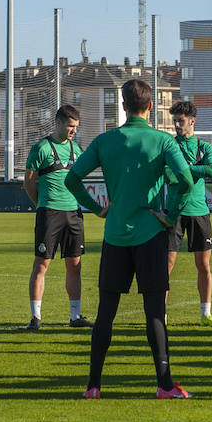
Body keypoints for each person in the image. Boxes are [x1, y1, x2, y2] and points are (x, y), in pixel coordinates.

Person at [65, 79, 195, 399]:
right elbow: (186, 180)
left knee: (106, 313)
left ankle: (93, 385)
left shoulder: (105, 141)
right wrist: (172, 213)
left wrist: (97, 209)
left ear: (123, 107)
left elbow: (72, 179)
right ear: (150, 106)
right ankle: (164, 386)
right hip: (151, 236)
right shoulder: (163, 141)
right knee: (154, 312)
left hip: (115, 236)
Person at [22, 105, 92, 330]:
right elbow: (29, 182)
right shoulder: (41, 148)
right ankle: (36, 317)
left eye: (76, 127)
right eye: (70, 126)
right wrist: (42, 206)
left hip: (73, 213)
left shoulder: (77, 150)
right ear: (58, 122)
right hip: (49, 213)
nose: (73, 131)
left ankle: (75, 316)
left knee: (75, 264)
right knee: (42, 264)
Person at [165, 100, 212, 326]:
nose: (177, 125)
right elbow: (169, 175)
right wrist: (191, 170)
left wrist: (185, 169)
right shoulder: (169, 146)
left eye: (180, 121)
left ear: (192, 122)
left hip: (199, 212)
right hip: (174, 212)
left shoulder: (205, 147)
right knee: (166, 265)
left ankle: (205, 314)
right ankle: (162, 313)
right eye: (175, 121)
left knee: (204, 265)